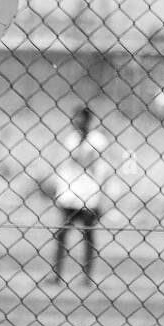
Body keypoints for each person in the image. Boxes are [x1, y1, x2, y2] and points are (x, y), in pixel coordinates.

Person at [46, 106, 110, 288]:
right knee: (62, 234)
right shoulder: (71, 139)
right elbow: (65, 166)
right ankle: (57, 274)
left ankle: (87, 277)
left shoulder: (97, 140)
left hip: (89, 195)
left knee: (88, 236)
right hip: (70, 195)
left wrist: (103, 197)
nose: (77, 122)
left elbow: (93, 163)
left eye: (80, 119)